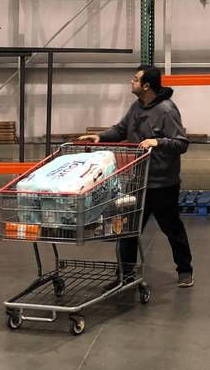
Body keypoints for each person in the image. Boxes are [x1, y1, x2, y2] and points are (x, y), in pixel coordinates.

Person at [78, 65, 194, 287]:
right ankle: (126, 275)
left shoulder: (167, 111)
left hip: (163, 184)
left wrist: (157, 141)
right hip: (138, 181)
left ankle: (185, 270)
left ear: (146, 85)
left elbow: (182, 143)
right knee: (128, 230)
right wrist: (99, 137)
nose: (131, 82)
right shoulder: (136, 108)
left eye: (135, 79)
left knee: (172, 229)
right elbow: (120, 130)